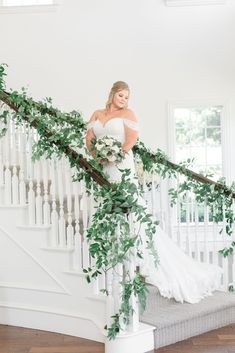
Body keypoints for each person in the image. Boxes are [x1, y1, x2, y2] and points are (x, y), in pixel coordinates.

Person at [85, 81, 223, 304]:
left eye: (127, 97)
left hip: (121, 163)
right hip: (104, 165)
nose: (124, 100)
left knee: (129, 205)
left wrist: (115, 153)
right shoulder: (97, 114)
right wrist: (98, 155)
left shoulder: (128, 113)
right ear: (112, 94)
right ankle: (116, 249)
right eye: (121, 95)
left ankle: (137, 254)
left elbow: (131, 139)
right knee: (108, 205)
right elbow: (89, 139)